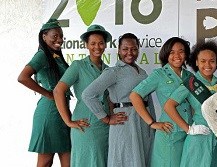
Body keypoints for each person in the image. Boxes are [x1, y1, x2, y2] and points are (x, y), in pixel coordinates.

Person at [82, 33, 155, 167]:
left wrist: (152, 123)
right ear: (119, 50)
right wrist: (106, 118)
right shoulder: (113, 72)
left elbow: (148, 100)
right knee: (126, 158)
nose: (130, 52)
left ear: (138, 49)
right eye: (125, 49)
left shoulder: (143, 72)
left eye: (133, 49)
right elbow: (88, 95)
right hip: (125, 122)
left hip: (143, 121)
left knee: (143, 157)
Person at [53, 24, 120, 167]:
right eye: (93, 43)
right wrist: (68, 122)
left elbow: (109, 98)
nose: (97, 47)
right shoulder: (78, 66)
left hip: (105, 125)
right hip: (85, 125)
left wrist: (112, 115)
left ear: (105, 45)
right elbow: (58, 91)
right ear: (86, 45)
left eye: (101, 43)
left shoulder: (108, 70)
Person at [129, 37, 192, 167]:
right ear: (166, 54)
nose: (177, 56)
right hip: (169, 134)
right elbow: (135, 96)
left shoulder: (189, 76)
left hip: (188, 133)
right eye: (172, 52)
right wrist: (151, 123)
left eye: (181, 51)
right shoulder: (159, 74)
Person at [17, 18, 71, 167]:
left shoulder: (56, 55)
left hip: (63, 111)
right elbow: (22, 77)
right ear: (44, 36)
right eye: (55, 36)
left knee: (69, 161)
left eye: (61, 36)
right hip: (49, 113)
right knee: (46, 161)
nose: (59, 39)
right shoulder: (42, 55)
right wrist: (48, 93)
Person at [163, 40, 217, 167]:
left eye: (212, 61)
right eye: (203, 61)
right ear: (196, 62)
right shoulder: (191, 83)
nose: (207, 65)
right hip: (200, 136)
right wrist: (189, 129)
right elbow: (169, 106)